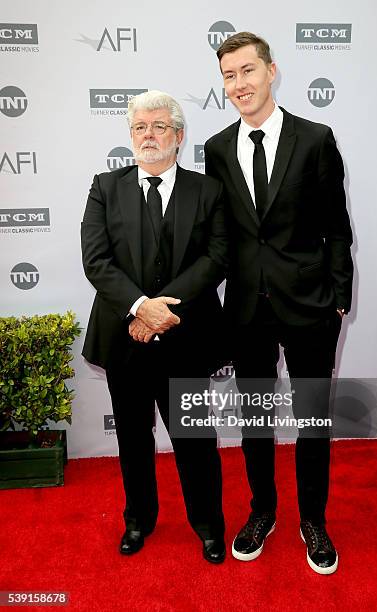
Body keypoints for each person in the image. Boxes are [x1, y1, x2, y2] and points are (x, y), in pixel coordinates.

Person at [204, 32, 353, 574]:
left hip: (311, 304)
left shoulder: (315, 138)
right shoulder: (217, 148)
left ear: (271, 71)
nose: (239, 84)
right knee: (255, 418)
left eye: (247, 71)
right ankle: (262, 510)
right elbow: (222, 235)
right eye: (228, 76)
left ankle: (313, 519)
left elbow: (337, 226)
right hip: (247, 309)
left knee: (313, 418)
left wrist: (339, 295)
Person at [81, 90, 228, 563]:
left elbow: (217, 257)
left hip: (185, 337)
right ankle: (138, 520)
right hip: (125, 337)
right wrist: (141, 307)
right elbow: (97, 261)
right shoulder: (105, 186)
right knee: (131, 436)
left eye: (159, 127)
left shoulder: (208, 191)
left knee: (195, 438)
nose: (148, 135)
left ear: (179, 136)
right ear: (130, 135)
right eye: (140, 127)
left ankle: (207, 524)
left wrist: (163, 311)